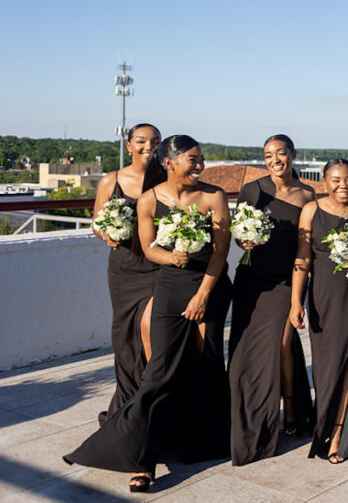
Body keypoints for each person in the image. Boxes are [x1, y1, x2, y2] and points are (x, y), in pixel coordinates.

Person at [64, 135, 233, 493]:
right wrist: (170, 257)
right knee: (159, 373)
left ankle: (199, 443)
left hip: (210, 286)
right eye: (193, 159)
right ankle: (142, 459)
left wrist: (203, 294)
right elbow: (147, 248)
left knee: (206, 364)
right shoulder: (149, 200)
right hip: (170, 288)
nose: (200, 165)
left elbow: (221, 252)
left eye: (201, 158)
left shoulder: (214, 196)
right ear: (170, 162)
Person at [228, 134, 315, 465]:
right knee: (248, 353)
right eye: (268, 155)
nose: (275, 159)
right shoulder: (253, 189)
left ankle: (291, 406)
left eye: (280, 153)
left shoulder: (308, 193)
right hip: (252, 279)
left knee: (282, 343)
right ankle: (247, 414)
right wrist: (244, 242)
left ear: (293, 155)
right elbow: (239, 233)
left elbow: (307, 241)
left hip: (287, 280)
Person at [291, 159, 348, 464]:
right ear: (325, 182)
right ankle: (323, 423)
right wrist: (295, 303)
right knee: (326, 363)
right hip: (321, 294)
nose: (344, 186)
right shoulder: (311, 210)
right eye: (336, 180)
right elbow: (302, 259)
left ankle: (341, 430)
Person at [90, 123, 161, 424]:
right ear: (129, 144)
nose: (148, 147)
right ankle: (127, 409)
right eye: (141, 141)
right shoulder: (111, 180)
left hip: (158, 266)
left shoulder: (166, 179)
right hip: (123, 269)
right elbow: (95, 222)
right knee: (125, 340)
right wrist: (106, 234)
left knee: (152, 334)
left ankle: (152, 404)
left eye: (154, 142)